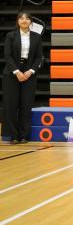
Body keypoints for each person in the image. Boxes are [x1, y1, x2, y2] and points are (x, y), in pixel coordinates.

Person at [2, 12, 43, 144]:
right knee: (11, 105)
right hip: (12, 74)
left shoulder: (37, 37)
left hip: (29, 74)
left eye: (27, 18)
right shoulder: (10, 36)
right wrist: (17, 71)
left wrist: (31, 71)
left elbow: (38, 57)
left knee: (26, 105)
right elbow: (7, 56)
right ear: (17, 21)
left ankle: (24, 135)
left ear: (31, 21)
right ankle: (13, 136)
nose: (24, 20)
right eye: (21, 18)